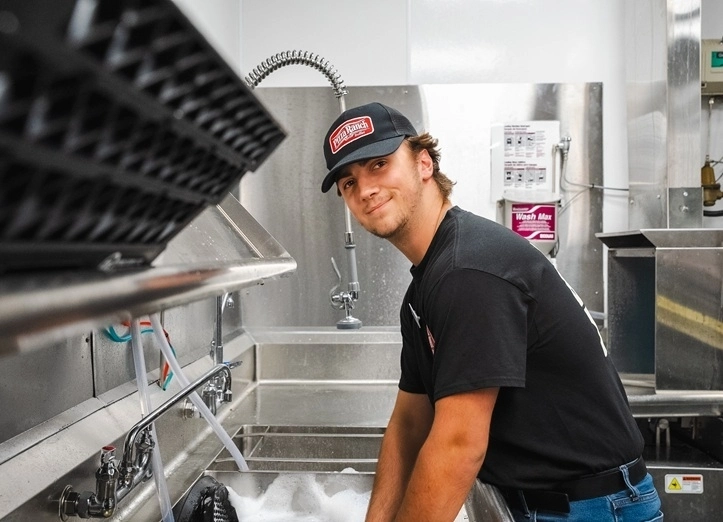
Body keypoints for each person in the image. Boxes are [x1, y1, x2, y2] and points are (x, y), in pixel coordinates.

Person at [320, 102, 663, 522]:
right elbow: (409, 425)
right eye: (349, 182)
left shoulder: (468, 271)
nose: (365, 189)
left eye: (379, 164)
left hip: (590, 508)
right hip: (538, 503)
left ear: (423, 163)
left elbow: (459, 444)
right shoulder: (425, 288)